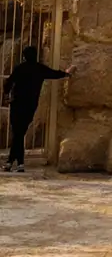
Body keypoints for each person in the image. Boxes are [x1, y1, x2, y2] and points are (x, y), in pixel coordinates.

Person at [3, 44, 68, 173]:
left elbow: (8, 83)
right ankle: (17, 163)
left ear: (24, 56)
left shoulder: (19, 68)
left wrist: (6, 96)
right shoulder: (39, 68)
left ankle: (12, 163)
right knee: (20, 133)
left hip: (17, 104)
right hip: (31, 105)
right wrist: (66, 74)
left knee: (18, 133)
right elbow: (54, 74)